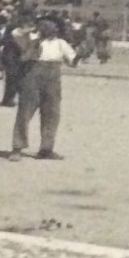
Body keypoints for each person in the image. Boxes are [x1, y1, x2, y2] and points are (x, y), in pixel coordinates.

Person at [9, 15, 78, 161]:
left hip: (53, 79)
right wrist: (33, 28)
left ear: (57, 28)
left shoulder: (61, 43)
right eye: (44, 24)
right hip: (31, 76)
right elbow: (16, 33)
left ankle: (46, 149)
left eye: (51, 24)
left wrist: (80, 55)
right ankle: (17, 147)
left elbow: (72, 61)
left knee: (52, 113)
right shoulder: (30, 40)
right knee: (25, 112)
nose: (46, 27)